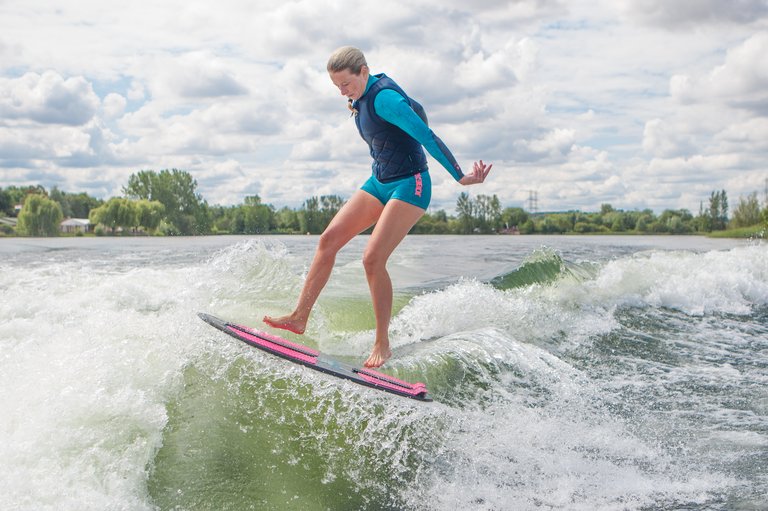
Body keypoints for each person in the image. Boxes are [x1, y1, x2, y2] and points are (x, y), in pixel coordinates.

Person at [264, 46, 492, 368]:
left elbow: (426, 135)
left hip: (410, 183)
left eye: (345, 84)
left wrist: (461, 177)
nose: (342, 92)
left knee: (372, 259)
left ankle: (382, 343)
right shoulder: (359, 98)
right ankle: (299, 317)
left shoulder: (385, 98)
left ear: (363, 71)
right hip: (380, 181)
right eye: (337, 86)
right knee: (328, 241)